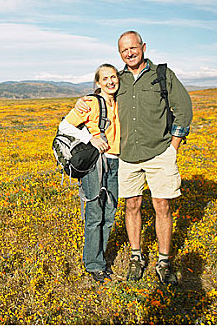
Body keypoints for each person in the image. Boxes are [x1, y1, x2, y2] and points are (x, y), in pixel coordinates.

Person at [76, 31, 193, 285]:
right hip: (127, 156)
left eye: (133, 47)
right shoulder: (119, 80)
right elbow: (100, 100)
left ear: (143, 47)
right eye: (123, 50)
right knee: (132, 206)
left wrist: (173, 147)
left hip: (160, 151)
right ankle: (136, 257)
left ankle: (163, 261)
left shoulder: (162, 75)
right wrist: (82, 103)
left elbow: (184, 110)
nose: (129, 53)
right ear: (120, 54)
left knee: (162, 206)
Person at [59, 64, 120, 283]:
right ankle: (94, 265)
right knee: (95, 214)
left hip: (116, 163)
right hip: (96, 164)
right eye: (105, 78)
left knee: (110, 214)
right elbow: (65, 126)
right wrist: (90, 139)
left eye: (113, 77)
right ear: (97, 82)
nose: (110, 81)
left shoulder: (120, 101)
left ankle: (99, 258)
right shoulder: (91, 102)